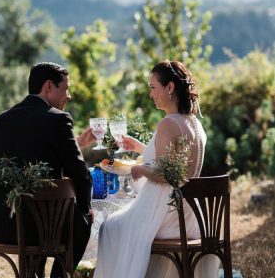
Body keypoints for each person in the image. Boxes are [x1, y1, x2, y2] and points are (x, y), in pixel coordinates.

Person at [94, 60, 220, 278]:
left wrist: (141, 170)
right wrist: (141, 147)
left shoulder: (168, 124)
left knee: (109, 229)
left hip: (168, 216)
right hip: (190, 215)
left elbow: (164, 175)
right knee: (116, 223)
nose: (151, 94)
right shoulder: (194, 123)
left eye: (153, 87)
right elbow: (174, 163)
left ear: (170, 87)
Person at [0, 62, 95, 277]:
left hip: (3, 224)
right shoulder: (59, 119)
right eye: (65, 88)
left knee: (44, 214)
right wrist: (86, 209)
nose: (68, 95)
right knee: (82, 224)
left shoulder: (2, 120)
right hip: (42, 228)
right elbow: (79, 172)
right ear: (49, 86)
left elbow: (29, 154)